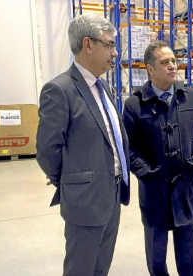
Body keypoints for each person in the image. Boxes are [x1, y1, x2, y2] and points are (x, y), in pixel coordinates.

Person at [36, 14, 130, 276]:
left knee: (101, 267)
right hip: (85, 201)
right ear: (88, 45)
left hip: (111, 196)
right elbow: (47, 150)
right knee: (81, 269)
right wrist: (71, 180)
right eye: (109, 45)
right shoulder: (60, 90)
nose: (115, 52)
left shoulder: (103, 89)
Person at [122, 40, 193, 276]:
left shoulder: (191, 98)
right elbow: (127, 147)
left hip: (186, 191)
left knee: (189, 262)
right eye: (165, 62)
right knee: (157, 261)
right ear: (150, 69)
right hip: (154, 193)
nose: (173, 66)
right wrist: (146, 173)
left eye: (173, 61)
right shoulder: (134, 105)